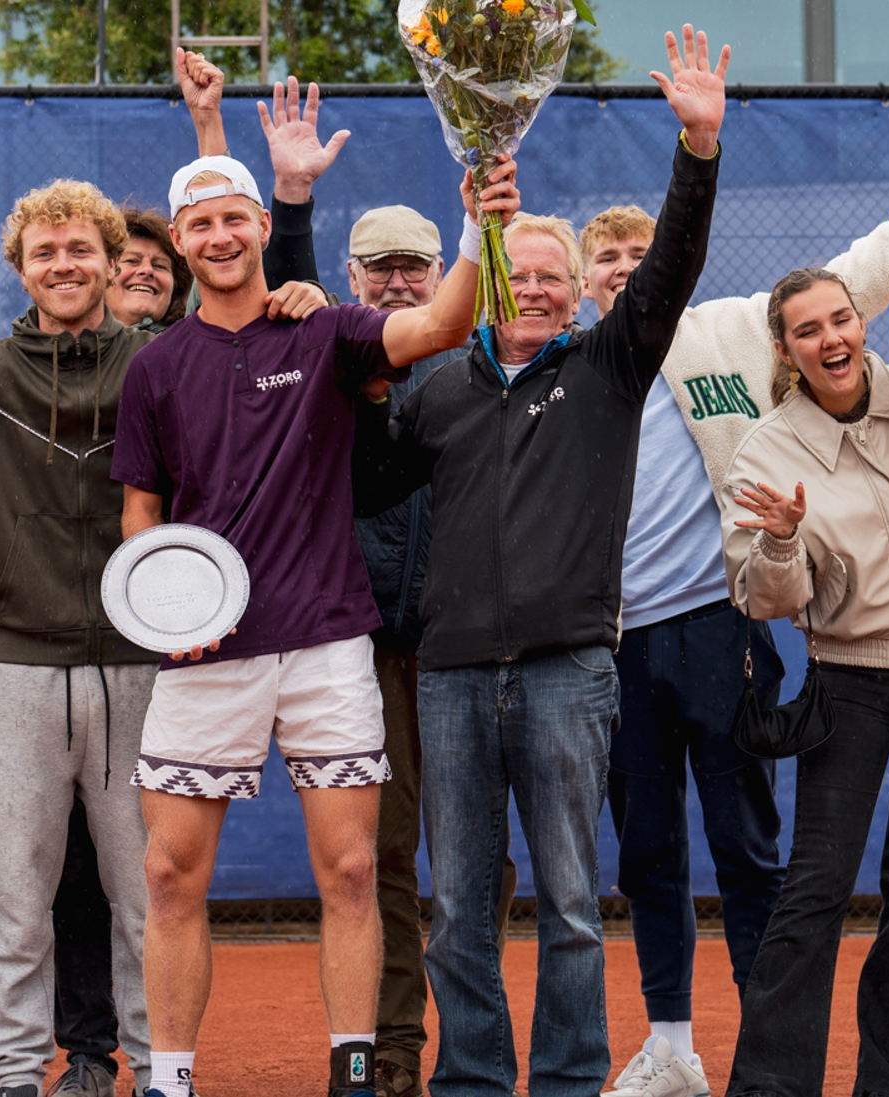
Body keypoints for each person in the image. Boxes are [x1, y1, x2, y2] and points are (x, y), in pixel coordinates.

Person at [0, 78, 332, 1092]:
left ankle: (159, 1065)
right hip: (17, 669)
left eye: (82, 248)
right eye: (45, 252)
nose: (65, 264)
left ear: (113, 262)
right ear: (20, 268)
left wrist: (295, 273)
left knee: (148, 888)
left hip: (141, 667)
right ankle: (17, 1067)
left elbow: (258, 329)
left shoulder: (162, 359)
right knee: (15, 893)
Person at [591, 116, 889, 1096]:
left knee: (840, 872)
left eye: (641, 255)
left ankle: (856, 1076)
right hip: (695, 646)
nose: (624, 272)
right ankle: (718, 1064)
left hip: (793, 641)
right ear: (586, 283)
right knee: (705, 863)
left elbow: (859, 277)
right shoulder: (588, 368)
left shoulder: (739, 334)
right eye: (604, 262)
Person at [351, 28, 726, 1097]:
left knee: (568, 901)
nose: (539, 290)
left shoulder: (610, 366)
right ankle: (473, 1077)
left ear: (578, 294)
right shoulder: (440, 389)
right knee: (461, 905)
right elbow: (367, 482)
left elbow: (670, 267)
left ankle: (565, 1080)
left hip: (569, 670)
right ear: (492, 282)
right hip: (452, 674)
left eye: (557, 277)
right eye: (520, 273)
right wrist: (365, 383)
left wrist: (697, 148)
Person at [114, 150, 510, 1097]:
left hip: (329, 643)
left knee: (351, 869)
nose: (219, 236)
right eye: (200, 223)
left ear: (262, 225)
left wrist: (475, 223)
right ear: (180, 241)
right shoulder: (155, 367)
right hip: (207, 652)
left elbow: (446, 323)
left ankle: (355, 1071)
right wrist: (168, 613)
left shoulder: (327, 328)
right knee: (168, 874)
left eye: (234, 218)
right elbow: (141, 514)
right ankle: (171, 1080)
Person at [711, 268, 889, 1097]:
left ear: (861, 323)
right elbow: (763, 598)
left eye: (841, 319)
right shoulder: (765, 451)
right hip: (850, 680)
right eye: (808, 330)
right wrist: (782, 540)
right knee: (817, 886)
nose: (831, 339)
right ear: (784, 349)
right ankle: (769, 1087)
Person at [338, 203, 514, 1097]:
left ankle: (472, 1037)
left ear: (445, 272)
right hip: (364, 648)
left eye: (416, 265)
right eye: (381, 267)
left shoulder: (487, 363)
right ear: (352, 275)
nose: (399, 280)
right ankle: (395, 1047)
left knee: (476, 856)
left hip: (467, 644)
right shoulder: (330, 360)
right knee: (383, 855)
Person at [109, 208, 186, 330]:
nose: (147, 270)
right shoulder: (75, 338)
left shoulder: (191, 342)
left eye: (160, 266)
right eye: (132, 261)